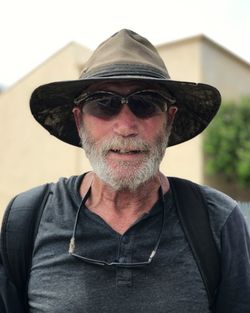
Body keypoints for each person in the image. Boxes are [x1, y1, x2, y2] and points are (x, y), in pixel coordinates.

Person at [1, 29, 250, 313]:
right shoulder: (27, 219)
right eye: (103, 104)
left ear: (169, 120)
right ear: (79, 120)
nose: (126, 127)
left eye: (146, 103)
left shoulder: (218, 220)